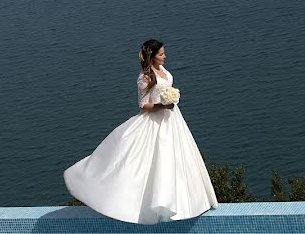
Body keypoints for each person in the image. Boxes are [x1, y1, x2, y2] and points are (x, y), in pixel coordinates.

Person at [63, 39, 218, 224]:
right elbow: (143, 105)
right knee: (155, 160)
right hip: (156, 120)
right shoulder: (144, 77)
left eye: (164, 53)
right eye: (161, 54)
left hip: (173, 119)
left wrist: (171, 102)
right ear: (152, 56)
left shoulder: (163, 71)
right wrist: (162, 105)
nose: (165, 56)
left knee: (179, 157)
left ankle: (189, 202)